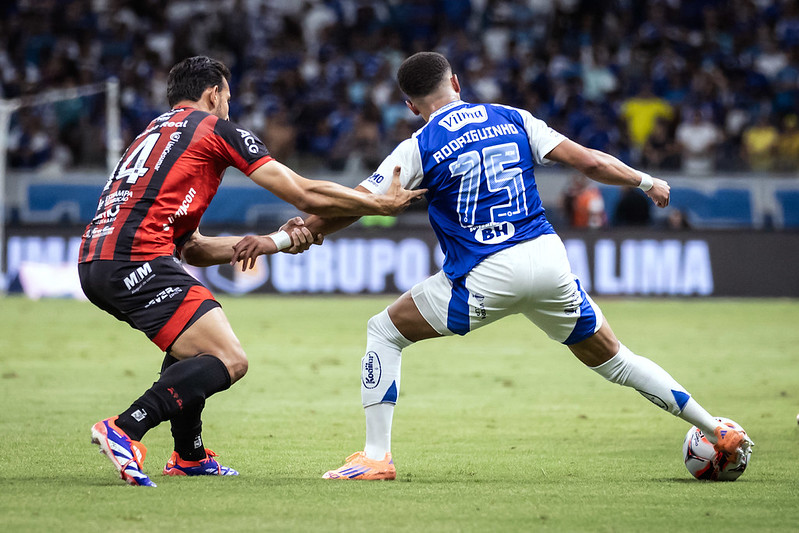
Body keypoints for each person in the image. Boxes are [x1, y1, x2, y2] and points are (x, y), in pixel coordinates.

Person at [233, 52, 751, 481]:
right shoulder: (512, 118)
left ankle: (375, 457)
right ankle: (716, 429)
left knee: (383, 332)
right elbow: (589, 162)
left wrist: (284, 238)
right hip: (548, 260)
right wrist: (644, 181)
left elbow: (351, 204)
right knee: (616, 358)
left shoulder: (418, 145)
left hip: (485, 274)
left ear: (412, 106)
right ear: (457, 82)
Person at [79, 56, 424, 487]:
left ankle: (189, 456)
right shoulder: (214, 130)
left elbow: (196, 250)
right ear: (213, 94)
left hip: (97, 260)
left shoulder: (150, 135)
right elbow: (304, 192)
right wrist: (378, 205)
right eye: (228, 96)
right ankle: (126, 428)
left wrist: (271, 241)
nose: (229, 105)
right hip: (137, 259)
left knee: (194, 346)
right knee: (228, 358)